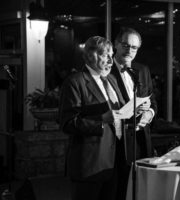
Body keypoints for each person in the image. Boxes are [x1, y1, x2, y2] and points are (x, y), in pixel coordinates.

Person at [59, 36, 127, 200]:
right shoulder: (75, 82)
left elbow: (120, 112)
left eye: (112, 54)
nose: (111, 59)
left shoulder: (111, 80)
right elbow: (67, 123)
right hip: (90, 164)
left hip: (114, 161)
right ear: (91, 55)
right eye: (106, 55)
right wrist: (101, 119)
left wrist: (135, 111)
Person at [111, 27, 157, 199]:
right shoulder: (106, 70)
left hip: (141, 140)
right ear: (116, 44)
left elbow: (153, 101)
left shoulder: (142, 69)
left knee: (141, 189)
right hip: (118, 141)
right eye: (125, 45)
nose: (129, 50)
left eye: (134, 47)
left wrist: (149, 113)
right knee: (120, 189)